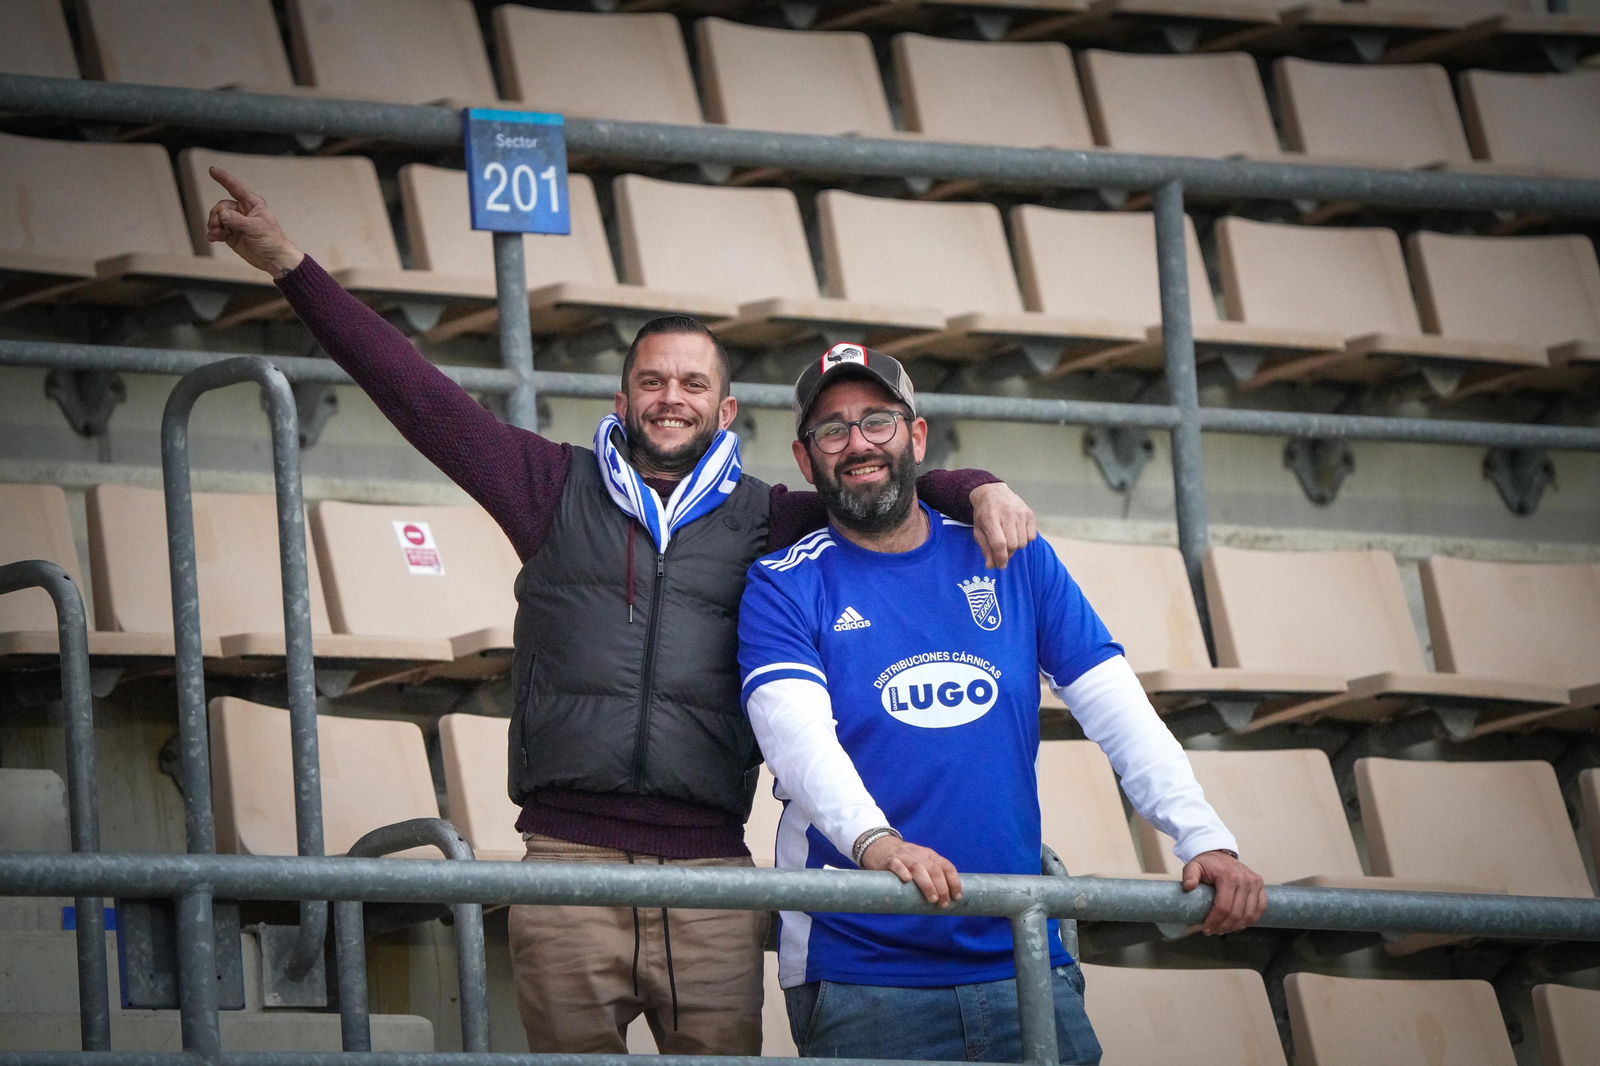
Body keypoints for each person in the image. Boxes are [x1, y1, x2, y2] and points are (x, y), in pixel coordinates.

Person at [203, 170, 1041, 1055]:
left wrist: (974, 485)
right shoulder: (548, 488)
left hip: (716, 878)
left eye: (691, 383)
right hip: (569, 866)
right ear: (623, 400)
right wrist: (290, 266)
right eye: (651, 381)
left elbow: (871, 479)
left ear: (724, 410)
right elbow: (416, 395)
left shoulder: (769, 518)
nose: (670, 397)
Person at [738, 343, 1267, 1063]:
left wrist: (1203, 837)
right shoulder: (783, 584)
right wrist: (878, 844)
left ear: (916, 435)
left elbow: (1114, 705)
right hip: (865, 967)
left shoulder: (1011, 551)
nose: (858, 443)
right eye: (832, 430)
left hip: (1022, 951)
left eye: (878, 421)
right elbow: (797, 741)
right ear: (806, 462)